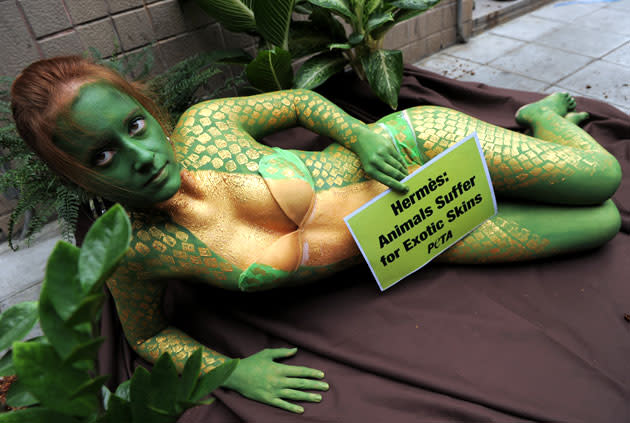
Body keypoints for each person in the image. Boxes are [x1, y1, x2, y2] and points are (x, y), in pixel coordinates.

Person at [11, 56, 621, 414]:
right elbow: (147, 334)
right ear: (73, 170)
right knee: (596, 224)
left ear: (147, 106)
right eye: (104, 154)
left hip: (417, 147)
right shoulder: (138, 252)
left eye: (135, 124)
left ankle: (541, 119)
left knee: (603, 179)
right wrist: (230, 372)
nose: (140, 155)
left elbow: (302, 104)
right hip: (415, 238)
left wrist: (363, 136)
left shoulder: (208, 125)